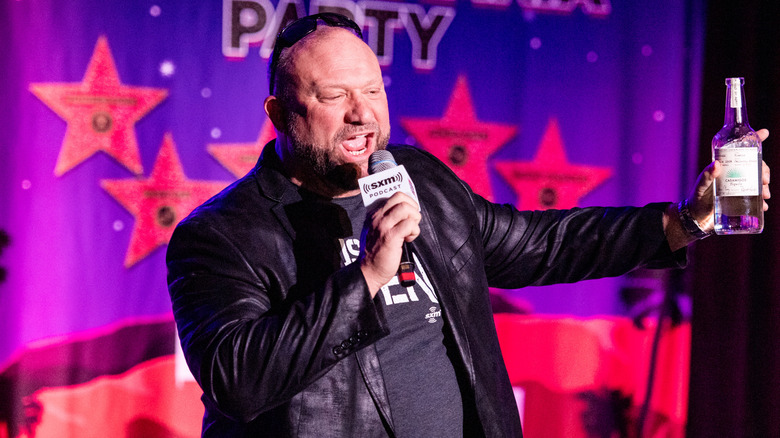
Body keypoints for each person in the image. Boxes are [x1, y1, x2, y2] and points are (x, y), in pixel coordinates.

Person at [166, 13, 771, 438]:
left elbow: (539, 246)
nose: (362, 114)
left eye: (372, 90)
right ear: (278, 111)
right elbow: (237, 379)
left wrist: (687, 221)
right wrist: (368, 275)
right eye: (333, 96)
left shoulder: (417, 177)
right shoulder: (220, 235)